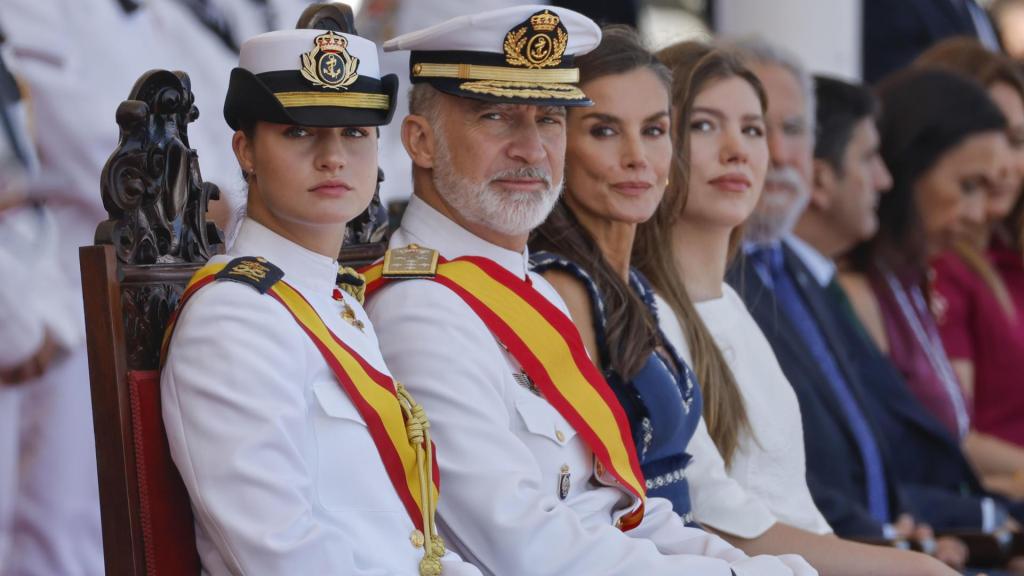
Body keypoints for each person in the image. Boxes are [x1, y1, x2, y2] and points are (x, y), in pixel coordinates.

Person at [364, 6, 811, 575]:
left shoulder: (526, 288)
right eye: (497, 117)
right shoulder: (420, 309)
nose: (530, 149)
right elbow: (523, 545)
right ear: (420, 142)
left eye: (549, 118)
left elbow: (625, 509)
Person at [160, 13, 482, 575]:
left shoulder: (335, 301)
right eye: (300, 131)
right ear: (245, 151)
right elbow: (282, 552)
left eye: (355, 132)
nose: (334, 156)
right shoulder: (234, 318)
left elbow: (408, 536)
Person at [631, 39, 958, 576]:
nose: (739, 150)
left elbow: (786, 506)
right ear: (657, 142)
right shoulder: (648, 316)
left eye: (753, 130)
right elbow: (719, 524)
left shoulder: (733, 301)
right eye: (705, 125)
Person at [723, 40, 972, 568]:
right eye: (751, 127)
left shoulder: (796, 272)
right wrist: (884, 544)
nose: (778, 152)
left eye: (792, 131)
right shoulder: (706, 279)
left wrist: (901, 536)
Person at [796, 73, 1012, 541]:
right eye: (968, 185)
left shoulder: (908, 282)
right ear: (913, 167)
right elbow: (881, 475)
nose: (981, 215)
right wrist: (990, 520)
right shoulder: (854, 290)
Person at [528, 25, 701, 523]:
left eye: (654, 130)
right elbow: (574, 500)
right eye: (604, 131)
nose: (637, 158)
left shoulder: (637, 286)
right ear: (556, 140)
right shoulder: (561, 288)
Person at [915, 38, 1024, 489]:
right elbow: (951, 435)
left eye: (1016, 141)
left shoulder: (1005, 255)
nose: (1002, 165)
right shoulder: (937, 267)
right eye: (986, 136)